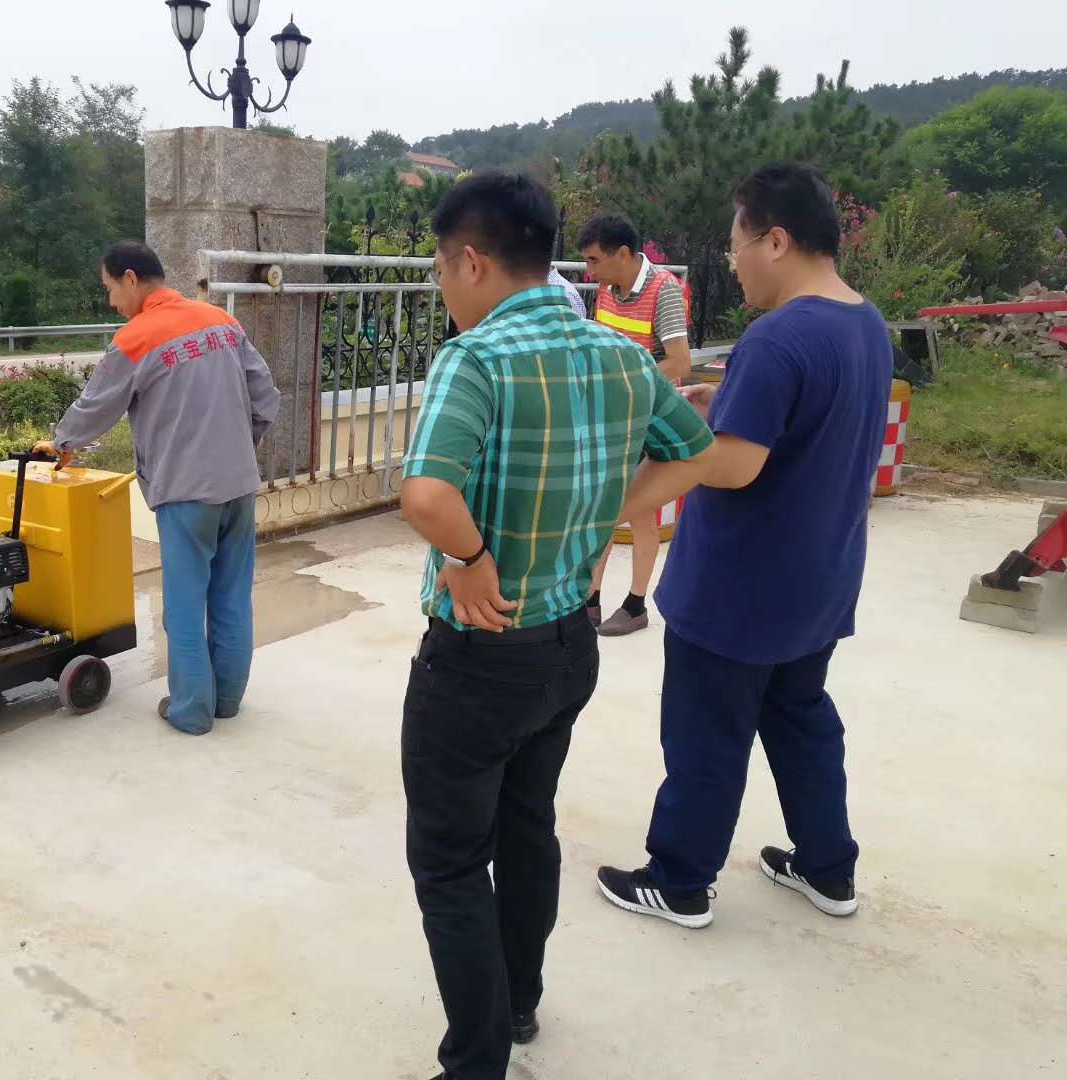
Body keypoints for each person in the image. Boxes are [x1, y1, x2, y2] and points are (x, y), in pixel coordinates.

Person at [398, 173, 713, 1080]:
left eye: (440, 269)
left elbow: (427, 494)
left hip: (479, 656)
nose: (443, 287)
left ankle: (477, 1060)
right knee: (528, 827)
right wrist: (611, 507)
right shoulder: (618, 354)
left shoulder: (477, 358)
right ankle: (520, 1003)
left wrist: (468, 556)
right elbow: (696, 453)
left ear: (472, 261)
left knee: (451, 863)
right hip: (570, 647)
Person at [596, 163, 893, 928]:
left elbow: (733, 464)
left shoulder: (778, 337)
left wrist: (616, 503)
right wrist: (717, 400)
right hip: (820, 579)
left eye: (737, 245)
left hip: (738, 589)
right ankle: (828, 869)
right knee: (801, 722)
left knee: (706, 736)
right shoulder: (864, 322)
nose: (732, 263)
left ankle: (680, 880)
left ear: (778, 241)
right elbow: (797, 424)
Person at [34, 240, 281, 736]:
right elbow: (266, 396)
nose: (111, 302)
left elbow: (95, 405)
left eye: (109, 288)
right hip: (238, 485)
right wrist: (239, 449)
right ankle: (226, 702)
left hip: (186, 494)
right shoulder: (221, 321)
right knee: (232, 597)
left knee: (185, 607)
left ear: (130, 278)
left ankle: (191, 712)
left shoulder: (135, 338)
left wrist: (61, 443)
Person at [577, 213, 692, 635]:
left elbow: (679, 362)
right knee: (604, 507)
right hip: (611, 417)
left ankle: (636, 603)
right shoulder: (607, 290)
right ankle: (590, 598)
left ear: (622, 254)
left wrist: (628, 386)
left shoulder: (664, 289)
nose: (589, 272)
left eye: (594, 260)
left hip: (647, 417)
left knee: (639, 510)